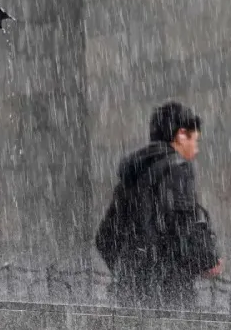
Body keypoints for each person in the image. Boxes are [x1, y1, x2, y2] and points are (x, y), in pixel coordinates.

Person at [95, 101, 222, 310]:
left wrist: (131, 269)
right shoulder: (178, 168)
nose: (196, 150)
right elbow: (183, 223)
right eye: (195, 140)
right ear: (181, 135)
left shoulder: (133, 175)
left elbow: (105, 237)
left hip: (129, 292)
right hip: (169, 294)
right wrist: (207, 261)